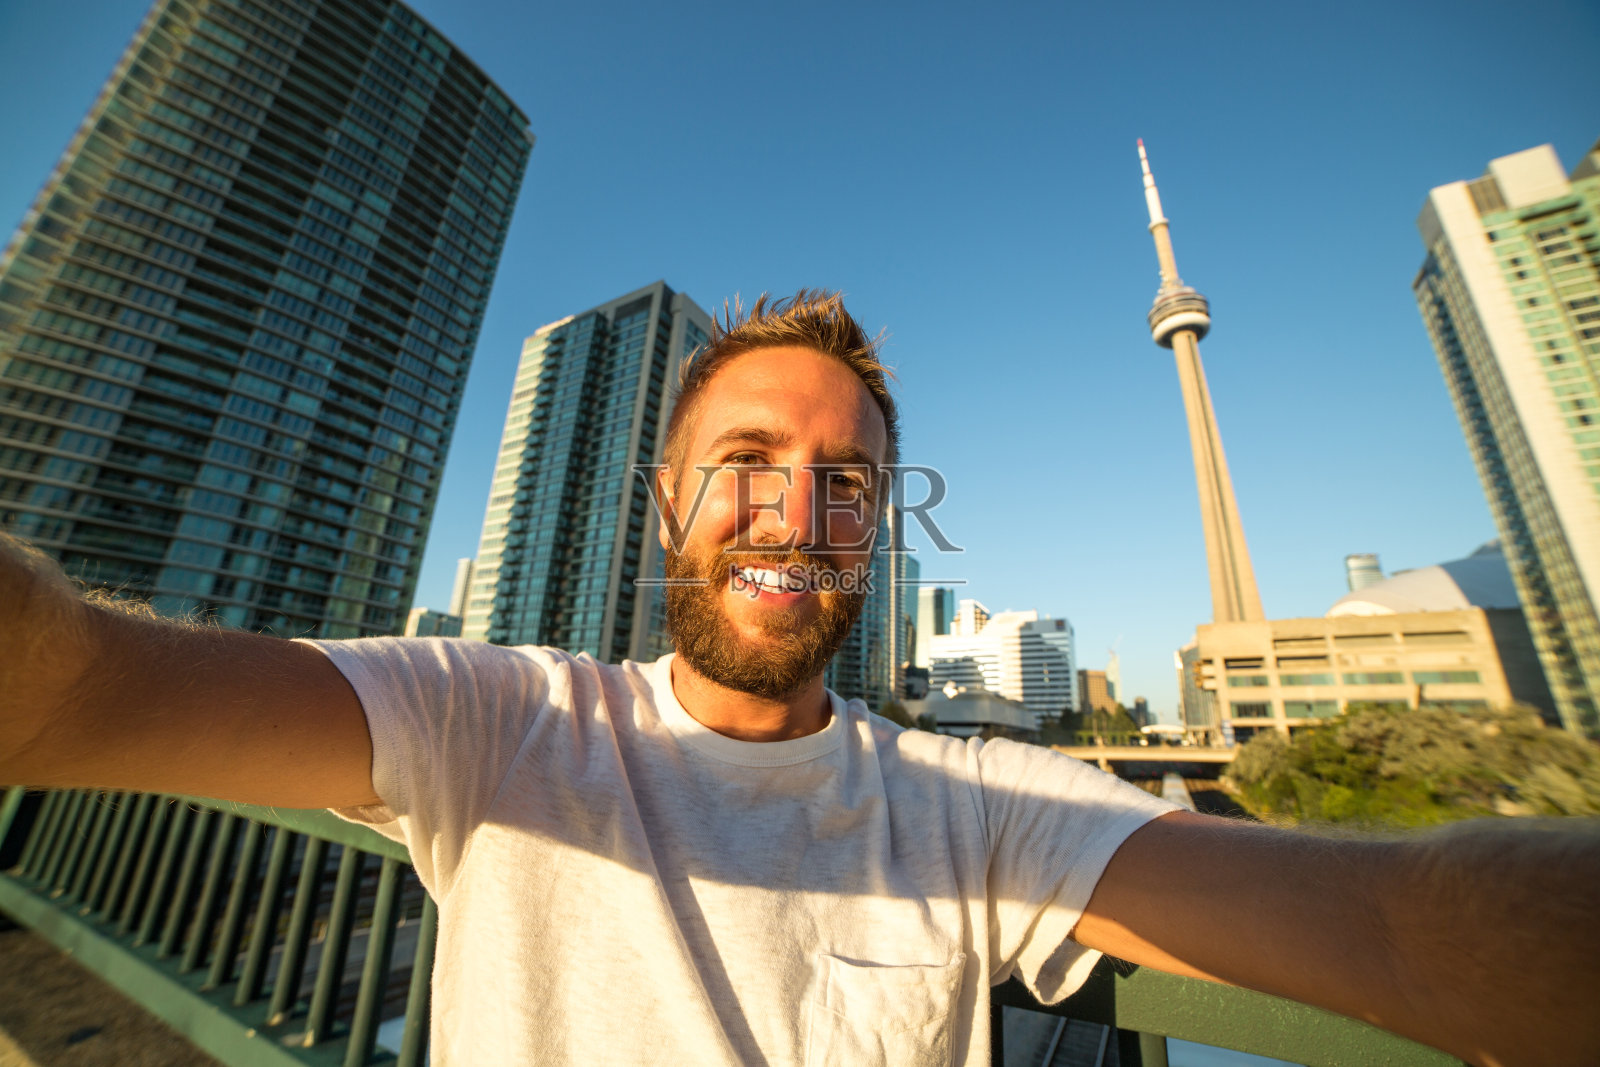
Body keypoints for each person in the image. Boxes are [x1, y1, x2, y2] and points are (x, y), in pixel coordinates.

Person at [1, 290, 1597, 1067]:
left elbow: (1400, 925)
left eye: (848, 482)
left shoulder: (977, 808)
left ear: (880, 534)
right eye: (747, 459)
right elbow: (71, 691)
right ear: (666, 506)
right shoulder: (490, 721)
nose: (797, 509)